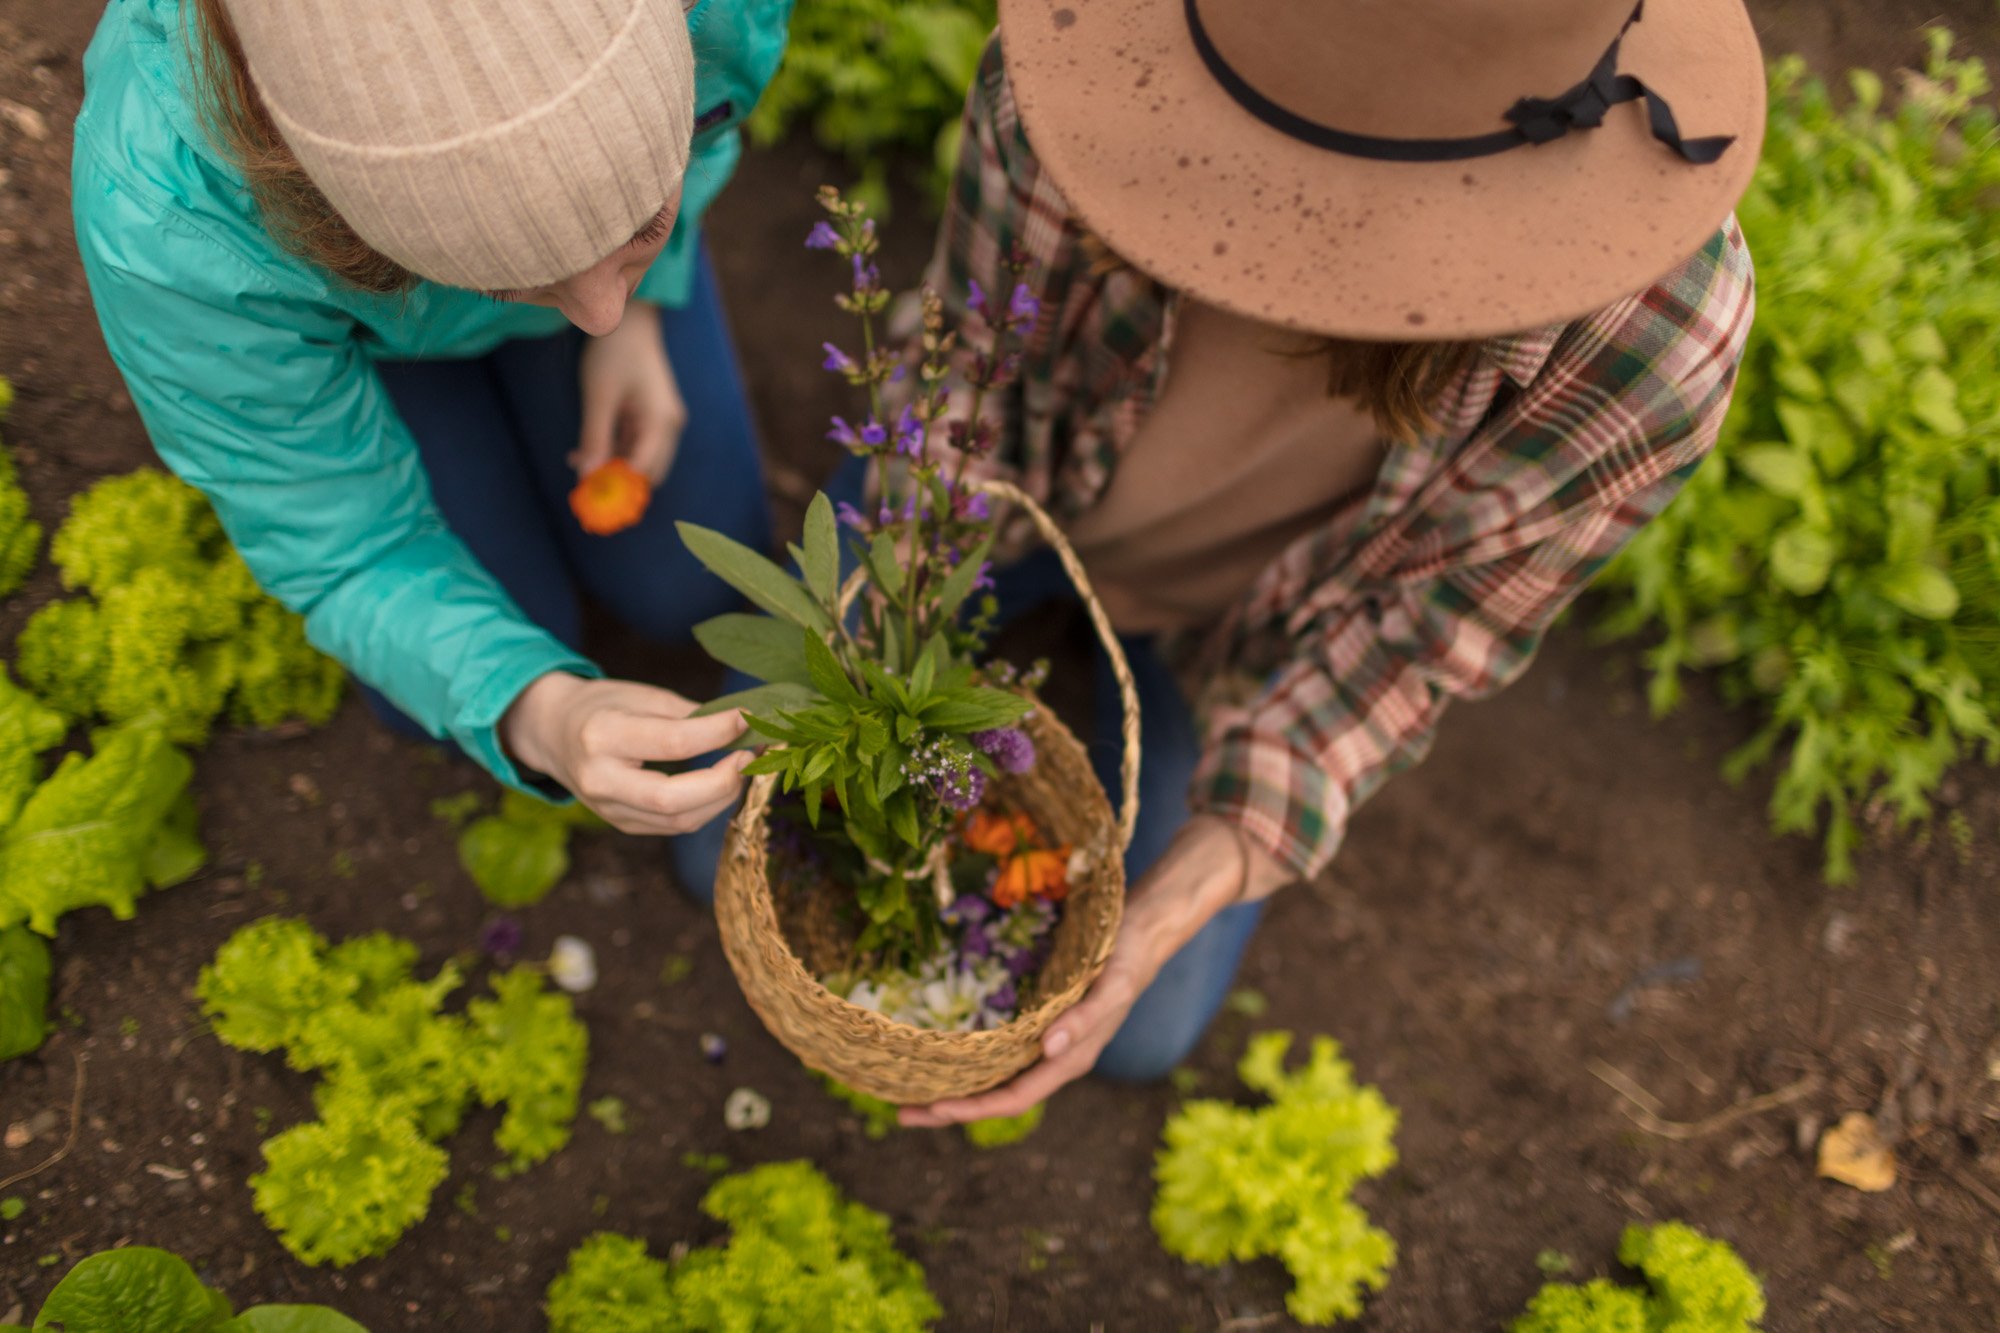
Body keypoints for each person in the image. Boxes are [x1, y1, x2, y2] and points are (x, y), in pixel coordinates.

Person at [897, 0, 1763, 1127]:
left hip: (1238, 641)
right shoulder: (1077, 76)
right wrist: (898, 599)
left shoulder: (1651, 344)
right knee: (734, 848)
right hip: (1022, 504)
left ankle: (1141, 694)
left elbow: (1422, 641)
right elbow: (963, 366)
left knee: (1136, 1026)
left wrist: (1184, 887)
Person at [70, 0, 794, 842]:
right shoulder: (171, 213)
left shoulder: (712, 14)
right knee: (496, 649)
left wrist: (645, 301)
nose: (595, 311)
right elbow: (347, 551)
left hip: (506, 283)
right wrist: (538, 709)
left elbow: (705, 124)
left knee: (694, 586)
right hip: (375, 347)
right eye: (505, 277)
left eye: (641, 220)